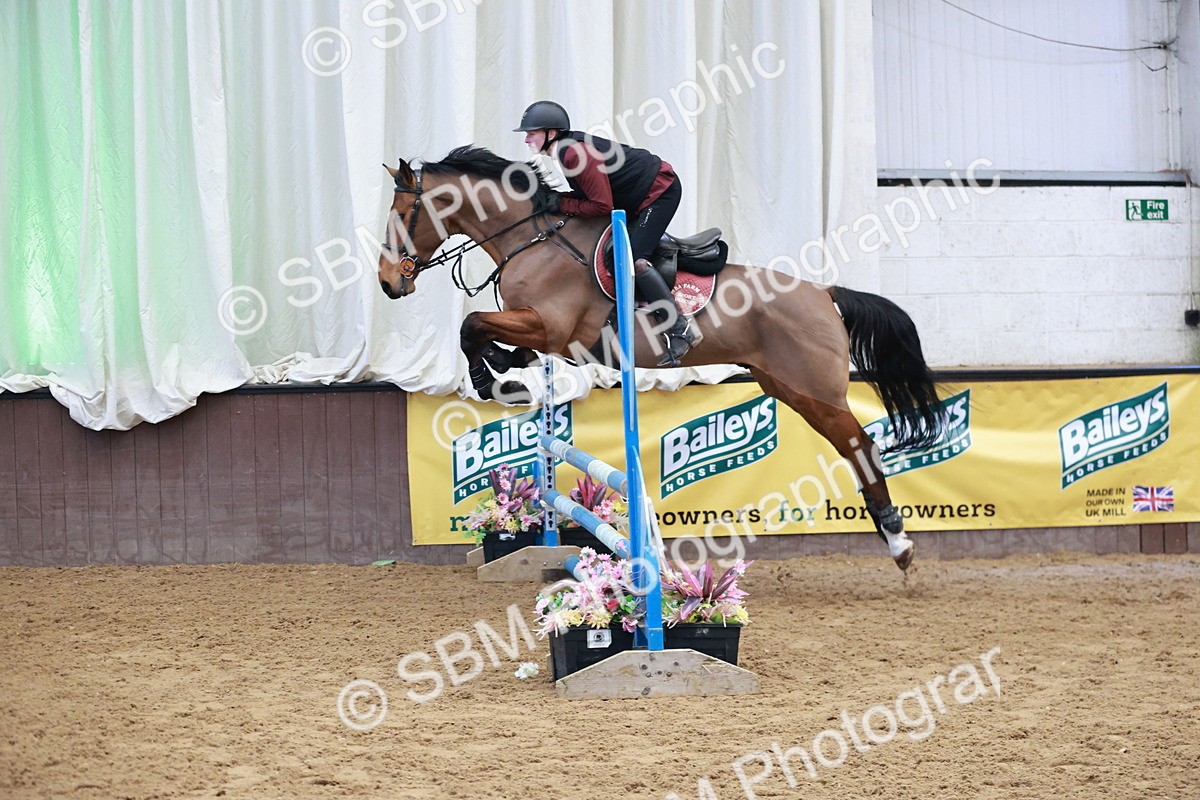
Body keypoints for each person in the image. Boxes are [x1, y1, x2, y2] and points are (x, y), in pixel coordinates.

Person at [515, 100, 699, 367]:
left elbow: (602, 206)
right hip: (637, 194)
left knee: (627, 260)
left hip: (660, 192)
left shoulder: (572, 154)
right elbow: (590, 197)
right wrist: (558, 200)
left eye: (531, 133)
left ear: (551, 134)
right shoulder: (565, 152)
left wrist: (560, 203)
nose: (527, 139)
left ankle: (680, 328)